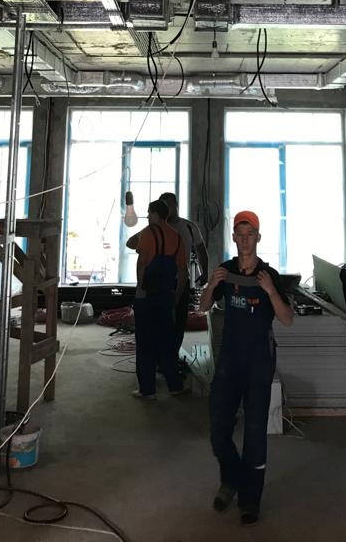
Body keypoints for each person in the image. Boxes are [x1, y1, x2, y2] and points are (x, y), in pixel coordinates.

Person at [198, 211, 293, 526]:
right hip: (230, 361)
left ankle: (250, 500)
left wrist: (271, 291)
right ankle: (232, 478)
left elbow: (287, 318)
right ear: (234, 238)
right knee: (218, 430)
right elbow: (203, 306)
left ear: (258, 238)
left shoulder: (269, 275)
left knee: (254, 432)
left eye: (250, 233)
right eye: (240, 234)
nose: (245, 239)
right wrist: (212, 284)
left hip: (258, 363)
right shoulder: (225, 272)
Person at [130, 198, 187, 399]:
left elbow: (142, 263)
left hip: (147, 295)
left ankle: (147, 389)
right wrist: (177, 294)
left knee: (145, 342)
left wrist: (140, 288)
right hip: (166, 296)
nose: (147, 216)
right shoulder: (177, 236)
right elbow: (182, 271)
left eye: (149, 213)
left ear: (155, 214)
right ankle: (175, 386)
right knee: (168, 341)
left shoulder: (148, 233)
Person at [158, 191, 209, 355]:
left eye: (169, 205)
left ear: (176, 205)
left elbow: (201, 249)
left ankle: (173, 354)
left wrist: (205, 272)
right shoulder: (158, 227)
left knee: (180, 320)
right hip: (161, 281)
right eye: (163, 206)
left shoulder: (189, 227)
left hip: (181, 279)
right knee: (160, 319)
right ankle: (161, 356)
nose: (167, 209)